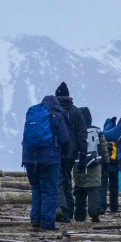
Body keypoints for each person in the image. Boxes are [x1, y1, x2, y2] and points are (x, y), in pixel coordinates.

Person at [22, 93, 71, 231]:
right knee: (49, 190)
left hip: (29, 158)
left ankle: (35, 219)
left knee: (36, 188)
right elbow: (65, 139)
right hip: (49, 158)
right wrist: (64, 153)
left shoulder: (33, 112)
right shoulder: (57, 114)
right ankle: (48, 223)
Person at [55, 82, 84, 224]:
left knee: (58, 179)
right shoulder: (76, 111)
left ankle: (60, 207)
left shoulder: (53, 111)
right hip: (71, 153)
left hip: (56, 151)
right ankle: (68, 213)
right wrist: (82, 155)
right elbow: (82, 134)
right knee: (67, 180)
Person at [73, 107, 108, 223]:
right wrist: (106, 161)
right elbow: (103, 147)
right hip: (95, 164)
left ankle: (79, 215)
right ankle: (94, 211)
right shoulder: (97, 131)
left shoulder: (75, 131)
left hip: (79, 164)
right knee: (94, 189)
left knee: (79, 190)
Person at [100, 117, 120, 213]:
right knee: (114, 186)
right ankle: (114, 206)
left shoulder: (103, 135)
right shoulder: (117, 134)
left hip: (105, 164)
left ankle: (102, 205)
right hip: (115, 164)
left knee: (103, 185)